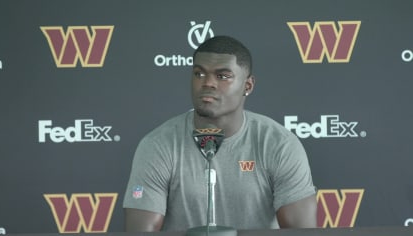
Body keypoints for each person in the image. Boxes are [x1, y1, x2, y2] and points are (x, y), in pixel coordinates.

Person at [123, 35, 317, 232]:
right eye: (199, 74)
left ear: (247, 86)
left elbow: (301, 231)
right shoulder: (158, 145)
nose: (208, 83)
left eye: (223, 76)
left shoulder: (279, 144)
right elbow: (141, 232)